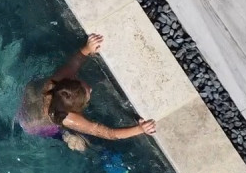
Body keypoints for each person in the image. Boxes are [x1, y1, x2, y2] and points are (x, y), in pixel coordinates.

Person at [16, 34, 156, 151]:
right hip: (36, 127)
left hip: (26, 110)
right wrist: (140, 129)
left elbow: (74, 63)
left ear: (70, 82)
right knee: (83, 144)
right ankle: (66, 136)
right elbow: (109, 133)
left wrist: (87, 48)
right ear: (75, 110)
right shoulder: (69, 118)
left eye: (83, 86)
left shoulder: (55, 83)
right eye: (87, 97)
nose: (91, 89)